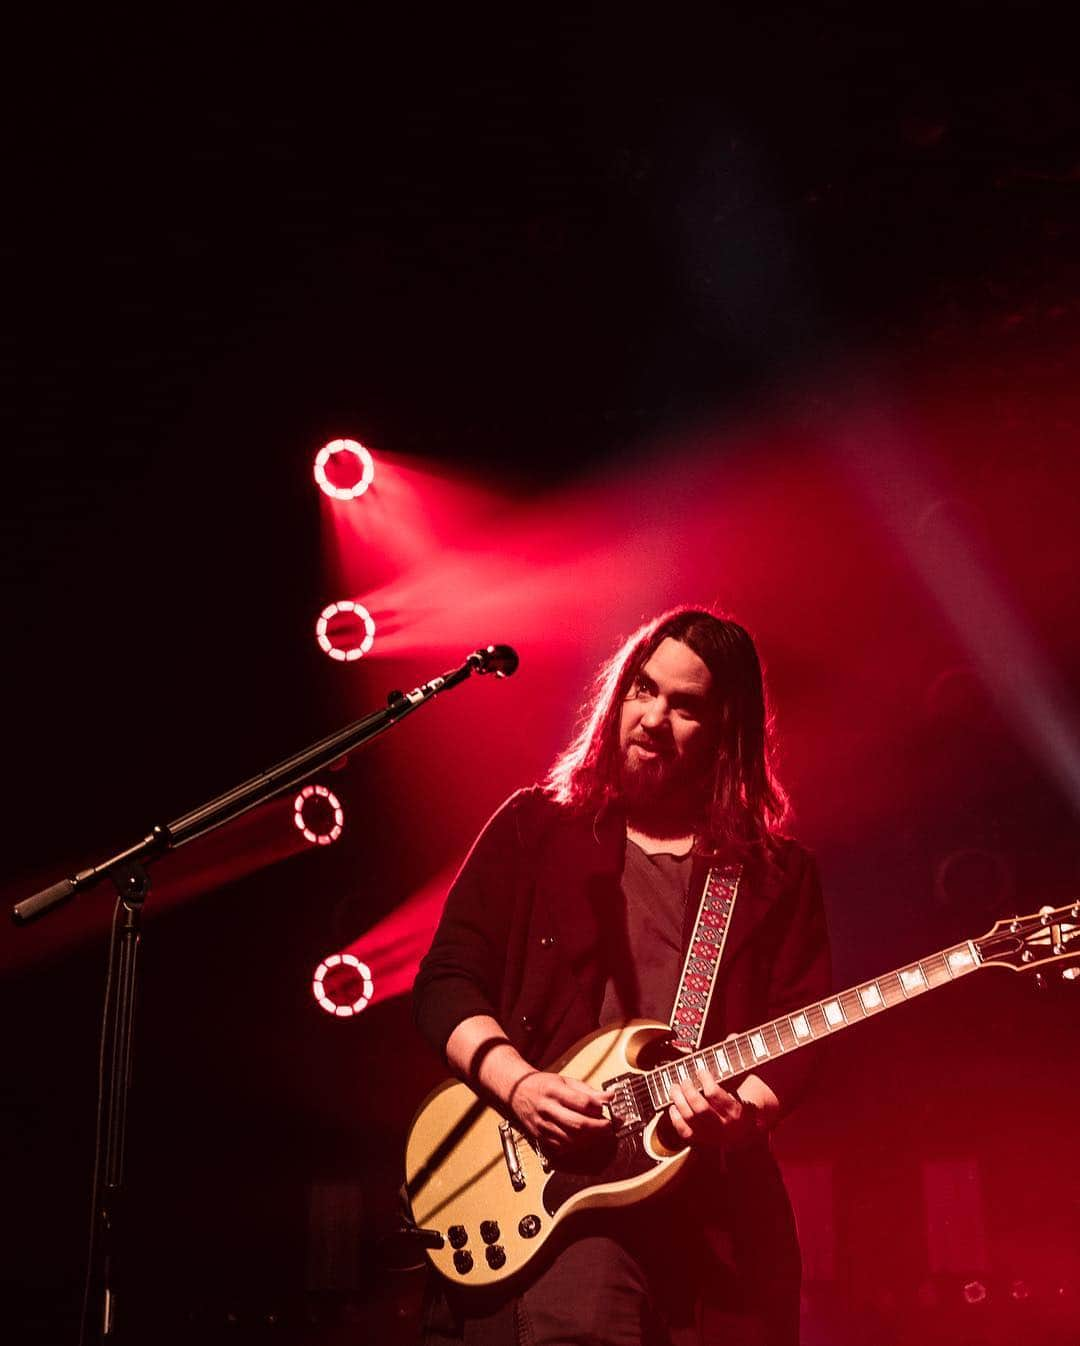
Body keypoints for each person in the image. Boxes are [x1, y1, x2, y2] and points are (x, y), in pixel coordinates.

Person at [412, 607, 831, 1346]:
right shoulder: (535, 828)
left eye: (685, 705)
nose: (653, 717)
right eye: (642, 689)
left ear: (727, 730)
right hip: (566, 1205)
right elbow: (449, 978)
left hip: (714, 1219)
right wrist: (517, 1083)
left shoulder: (773, 873)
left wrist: (748, 1114)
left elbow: (804, 1026)